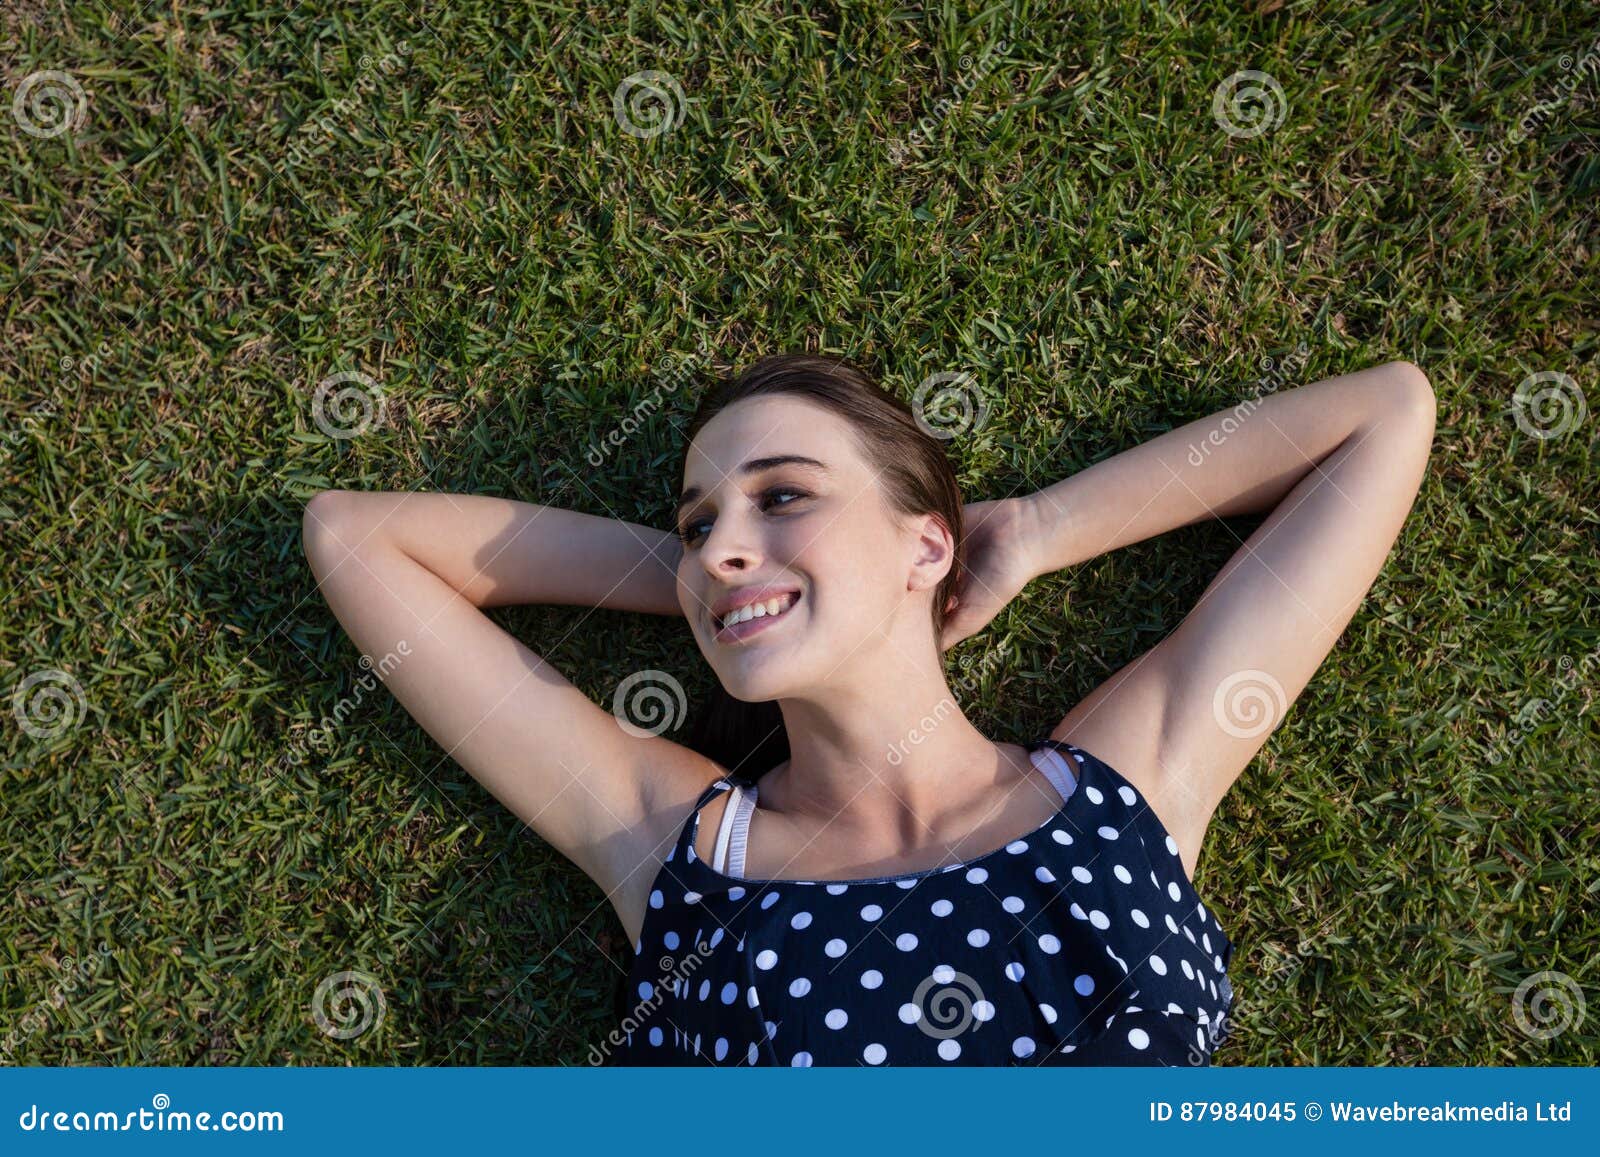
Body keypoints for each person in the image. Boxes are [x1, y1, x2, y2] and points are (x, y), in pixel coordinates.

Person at [301, 352, 1435, 1066]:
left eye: (784, 493)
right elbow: (353, 537)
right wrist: (725, 584)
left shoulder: (1123, 793)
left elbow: (1385, 414)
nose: (720, 539)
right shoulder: (674, 845)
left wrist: (1036, 529)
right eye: (697, 521)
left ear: (927, 542)